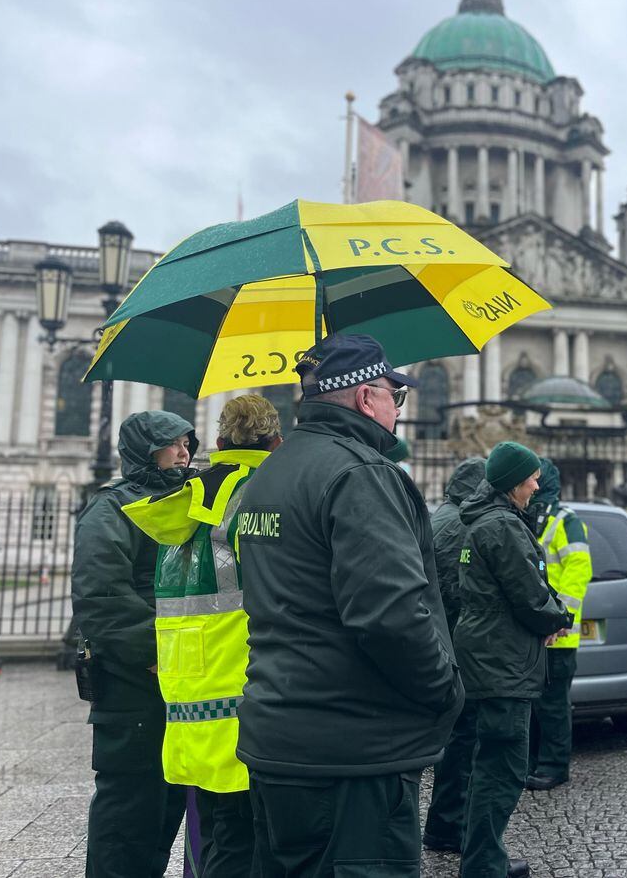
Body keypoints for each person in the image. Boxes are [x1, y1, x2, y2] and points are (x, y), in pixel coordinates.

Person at [234, 334, 463, 877]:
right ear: (366, 398)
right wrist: (445, 692)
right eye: (395, 396)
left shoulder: (271, 473)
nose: (398, 409)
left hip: (278, 737)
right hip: (355, 753)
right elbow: (391, 617)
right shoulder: (362, 474)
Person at [124, 395, 283, 876]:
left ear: (216, 443)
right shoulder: (265, 491)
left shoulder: (188, 495)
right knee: (248, 838)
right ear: (277, 441)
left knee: (214, 832)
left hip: (189, 687)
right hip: (244, 683)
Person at [71, 410, 197, 878]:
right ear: (147, 449)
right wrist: (159, 652)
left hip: (181, 681)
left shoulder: (190, 503)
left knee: (167, 806)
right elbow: (101, 596)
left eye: (188, 444)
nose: (184, 453)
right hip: (131, 682)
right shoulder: (111, 509)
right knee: (129, 812)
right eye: (174, 444)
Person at [456, 442, 574, 878]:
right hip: (501, 660)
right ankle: (484, 862)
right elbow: (528, 594)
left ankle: (482, 855)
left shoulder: (491, 521)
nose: (537, 483)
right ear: (512, 483)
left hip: (492, 655)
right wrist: (557, 617)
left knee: (490, 761)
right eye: (531, 477)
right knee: (502, 765)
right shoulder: (502, 526)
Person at [423, 457, 488, 853]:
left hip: (433, 645)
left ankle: (442, 823)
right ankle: (447, 826)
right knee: (463, 742)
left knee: (447, 739)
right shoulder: (465, 525)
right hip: (459, 647)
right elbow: (461, 593)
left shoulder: (437, 517)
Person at [527, 458, 593, 791]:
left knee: (552, 706)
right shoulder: (530, 518)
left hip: (560, 635)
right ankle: (535, 762)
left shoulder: (564, 520)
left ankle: (554, 767)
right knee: (534, 706)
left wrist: (560, 616)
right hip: (535, 631)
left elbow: (578, 570)